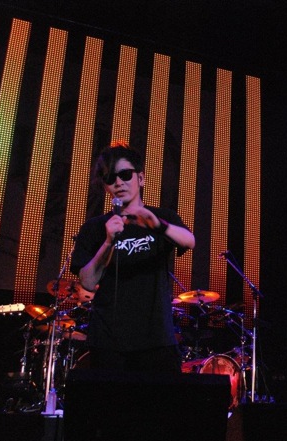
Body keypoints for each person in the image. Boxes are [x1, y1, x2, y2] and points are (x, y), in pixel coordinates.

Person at [71, 142, 195, 373]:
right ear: (106, 186)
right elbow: (87, 282)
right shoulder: (94, 228)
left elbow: (189, 241)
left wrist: (158, 226)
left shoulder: (161, 217)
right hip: (107, 340)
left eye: (125, 175)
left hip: (156, 338)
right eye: (111, 178)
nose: (119, 182)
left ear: (141, 178)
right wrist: (108, 242)